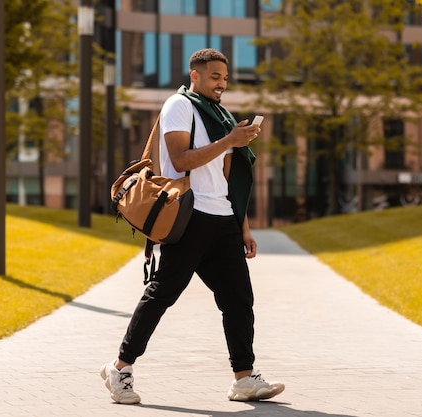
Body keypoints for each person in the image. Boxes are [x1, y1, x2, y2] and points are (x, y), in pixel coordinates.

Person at [100, 48, 285, 405]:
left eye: (225, 78)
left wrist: (243, 226)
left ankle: (243, 378)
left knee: (238, 298)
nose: (222, 84)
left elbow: (227, 179)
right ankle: (119, 368)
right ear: (195, 75)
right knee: (162, 294)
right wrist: (229, 140)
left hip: (221, 219)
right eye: (215, 77)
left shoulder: (220, 115)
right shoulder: (179, 106)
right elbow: (181, 158)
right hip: (189, 216)